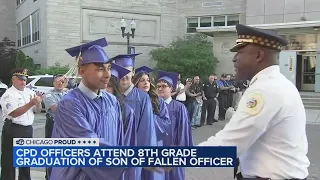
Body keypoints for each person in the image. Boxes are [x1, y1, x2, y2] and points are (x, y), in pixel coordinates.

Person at [199, 24, 309, 179]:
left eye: (240, 52)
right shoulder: (275, 83)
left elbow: (228, 146)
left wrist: (168, 158)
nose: (234, 58)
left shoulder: (265, 89)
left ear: (259, 55)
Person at [50, 38, 127, 180]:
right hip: (77, 175)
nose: (107, 74)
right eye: (100, 69)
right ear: (82, 71)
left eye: (109, 68)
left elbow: (118, 140)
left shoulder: (112, 101)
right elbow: (87, 143)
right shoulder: (70, 104)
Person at [112, 54, 158, 179]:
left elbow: (146, 131)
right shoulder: (111, 97)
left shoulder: (142, 98)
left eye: (127, 70)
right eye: (120, 71)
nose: (124, 75)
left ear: (133, 72)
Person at [0, 68, 42, 180]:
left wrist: (38, 104)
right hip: (13, 128)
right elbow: (14, 113)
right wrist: (31, 103)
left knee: (25, 159)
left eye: (25, 80)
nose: (23, 82)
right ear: (13, 80)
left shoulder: (30, 92)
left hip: (27, 129)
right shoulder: (8, 94)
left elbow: (37, 111)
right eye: (20, 80)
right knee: (9, 160)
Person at [156, 70, 193, 180]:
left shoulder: (179, 108)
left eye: (164, 86)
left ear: (171, 88)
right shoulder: (152, 106)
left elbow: (184, 132)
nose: (160, 88)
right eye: (158, 86)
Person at [105, 63, 137, 180]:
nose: (104, 89)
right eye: (102, 85)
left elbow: (127, 144)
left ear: (115, 88)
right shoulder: (91, 108)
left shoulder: (126, 111)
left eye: (108, 85)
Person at [133, 66, 170, 146]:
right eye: (142, 80)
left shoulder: (157, 100)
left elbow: (166, 122)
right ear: (136, 83)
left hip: (154, 141)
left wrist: (150, 118)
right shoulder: (131, 101)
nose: (146, 83)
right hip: (136, 142)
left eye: (148, 80)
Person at [43, 74, 68, 180]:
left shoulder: (68, 93)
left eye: (62, 82)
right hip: (53, 124)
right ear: (53, 83)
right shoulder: (48, 95)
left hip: (66, 126)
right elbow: (56, 109)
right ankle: (49, 176)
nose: (60, 83)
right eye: (57, 81)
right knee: (51, 151)